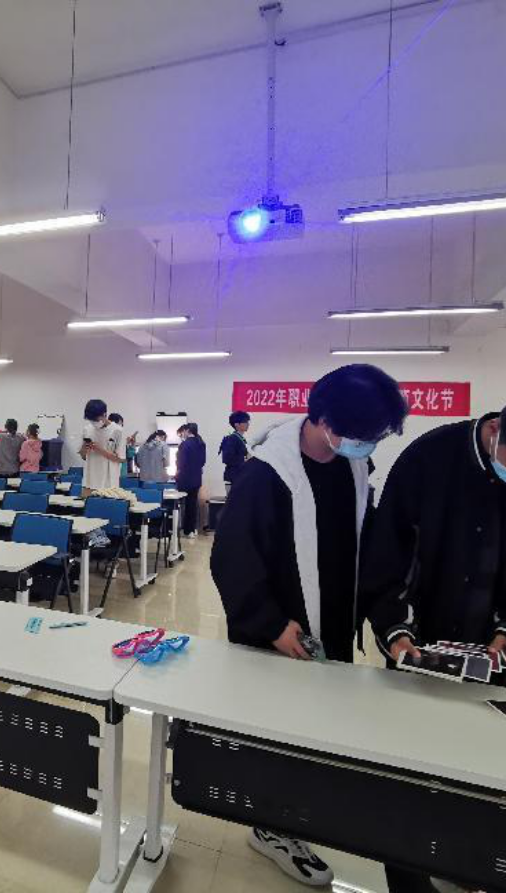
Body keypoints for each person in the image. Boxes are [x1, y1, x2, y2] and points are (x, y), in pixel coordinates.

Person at [358, 390, 506, 893]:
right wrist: (394, 627)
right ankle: (408, 880)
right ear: (496, 430)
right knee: (406, 778)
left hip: (496, 663)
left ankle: (468, 869)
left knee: (483, 778)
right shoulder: (430, 458)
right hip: (416, 652)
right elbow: (385, 553)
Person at [210, 364, 408, 887]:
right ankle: (271, 827)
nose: (369, 445)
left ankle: (298, 811)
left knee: (313, 728)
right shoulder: (266, 474)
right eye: (364, 435)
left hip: (329, 621)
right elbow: (232, 559)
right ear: (324, 421)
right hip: (276, 634)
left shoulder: (352, 466)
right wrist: (273, 624)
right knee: (276, 732)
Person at [80, 399, 125, 493]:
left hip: (109, 482)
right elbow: (83, 456)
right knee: (86, 502)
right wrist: (84, 449)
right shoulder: (87, 429)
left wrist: (99, 450)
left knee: (105, 502)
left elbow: (121, 459)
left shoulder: (117, 431)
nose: (94, 423)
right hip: (89, 481)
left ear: (105, 414)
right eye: (91, 420)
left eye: (96, 420)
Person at [175, 423, 207, 535]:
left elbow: (181, 462)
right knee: (192, 504)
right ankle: (192, 529)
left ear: (187, 431)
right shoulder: (201, 443)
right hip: (196, 478)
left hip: (185, 478)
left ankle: (182, 528)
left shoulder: (184, 444)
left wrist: (178, 471)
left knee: (180, 504)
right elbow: (203, 461)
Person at [219, 410, 252, 492]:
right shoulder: (231, 439)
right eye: (245, 422)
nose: (248, 424)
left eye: (248, 422)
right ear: (237, 424)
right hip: (234, 477)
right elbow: (226, 459)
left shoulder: (241, 439)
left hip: (240, 476)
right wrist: (245, 459)